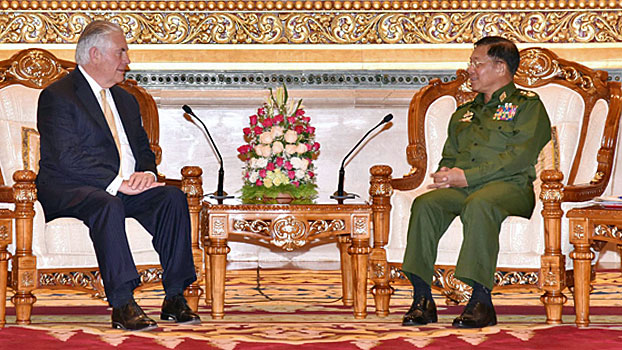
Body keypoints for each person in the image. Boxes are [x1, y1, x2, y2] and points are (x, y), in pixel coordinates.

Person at [36, 20, 200, 331]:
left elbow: (143, 148)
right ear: (95, 54)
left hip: (125, 188)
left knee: (172, 199)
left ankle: (175, 296)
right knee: (106, 203)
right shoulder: (58, 96)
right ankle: (123, 302)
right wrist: (117, 182)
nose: (127, 60)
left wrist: (147, 174)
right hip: (71, 188)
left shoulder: (125, 99)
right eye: (121, 52)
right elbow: (67, 157)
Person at [401, 36, 551, 328]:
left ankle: (481, 301)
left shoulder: (527, 106)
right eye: (471, 62)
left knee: (480, 204)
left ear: (500, 67)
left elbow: (519, 157)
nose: (470, 69)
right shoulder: (464, 113)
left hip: (512, 187)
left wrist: (467, 176)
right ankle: (422, 298)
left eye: (476, 63)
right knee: (426, 204)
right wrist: (446, 174)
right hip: (464, 187)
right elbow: (451, 154)